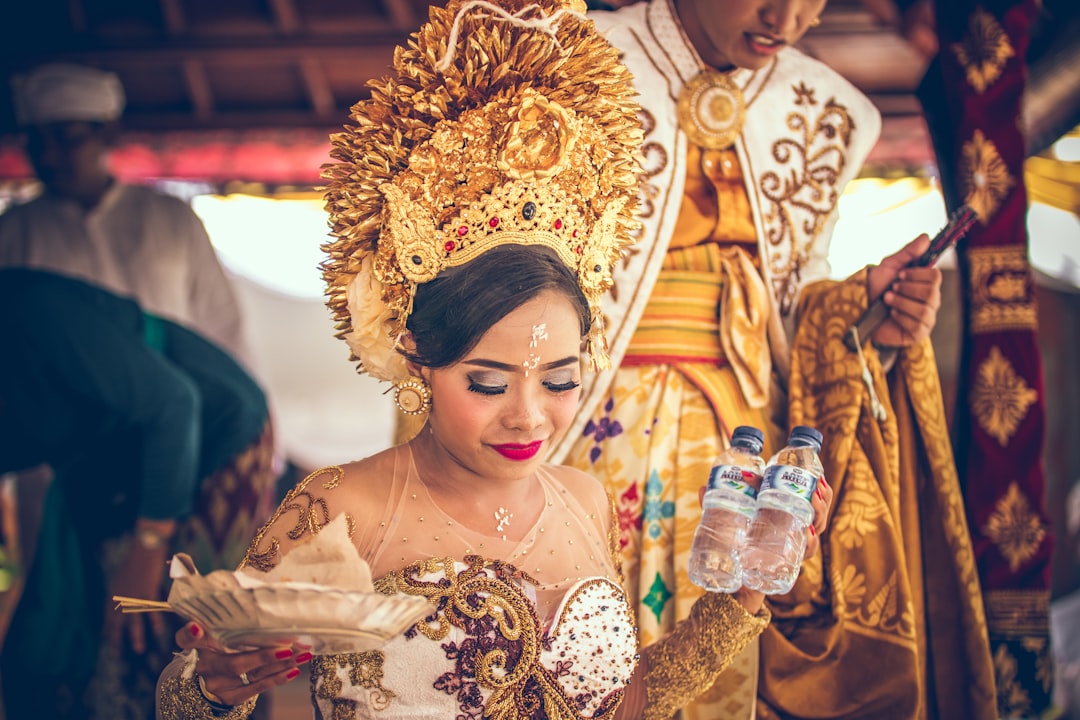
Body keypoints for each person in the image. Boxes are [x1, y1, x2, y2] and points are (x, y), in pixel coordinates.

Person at [153, 0, 834, 717]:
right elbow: (183, 696)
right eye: (487, 382)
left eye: (561, 380)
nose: (528, 417)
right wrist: (212, 685)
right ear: (417, 358)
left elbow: (622, 705)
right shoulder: (340, 508)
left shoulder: (584, 500)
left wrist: (748, 594)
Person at [546, 0, 997, 717]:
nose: (786, 18)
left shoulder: (825, 111)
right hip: (580, 425)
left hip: (750, 445)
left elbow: (798, 299)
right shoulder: (565, 59)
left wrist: (866, 309)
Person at [0, 62, 280, 718]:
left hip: (196, 436)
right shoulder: (15, 233)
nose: (52, 154)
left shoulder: (169, 218)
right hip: (75, 464)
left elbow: (221, 340)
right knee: (83, 609)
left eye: (68, 136)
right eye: (39, 140)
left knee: (197, 619)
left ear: (106, 133)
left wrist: (246, 461)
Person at [0, 268, 270, 719]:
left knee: (176, 641)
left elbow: (174, 404)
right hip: (113, 472)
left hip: (214, 442)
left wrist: (147, 549)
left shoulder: (27, 307)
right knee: (67, 647)